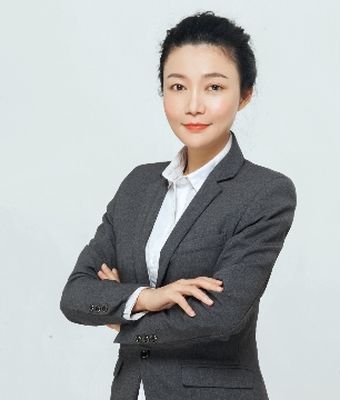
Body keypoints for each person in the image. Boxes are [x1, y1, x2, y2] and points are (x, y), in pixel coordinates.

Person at [60, 10, 297, 400]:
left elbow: (222, 314)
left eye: (214, 87)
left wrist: (125, 317)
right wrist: (146, 298)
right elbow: (76, 295)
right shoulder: (138, 185)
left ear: (245, 94)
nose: (194, 105)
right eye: (178, 86)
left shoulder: (265, 192)